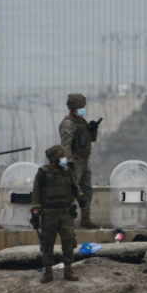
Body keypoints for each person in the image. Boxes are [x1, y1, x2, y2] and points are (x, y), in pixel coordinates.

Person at [30, 145, 80, 283]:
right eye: (61, 156)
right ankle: (48, 272)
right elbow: (36, 192)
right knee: (47, 243)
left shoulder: (68, 171)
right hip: (49, 213)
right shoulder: (43, 172)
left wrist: (81, 198)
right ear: (54, 158)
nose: (64, 158)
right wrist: (35, 208)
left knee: (69, 242)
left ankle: (68, 270)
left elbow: (76, 188)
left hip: (65, 212)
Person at [58, 93, 100, 229]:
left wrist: (93, 130)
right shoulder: (68, 123)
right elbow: (65, 145)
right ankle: (66, 221)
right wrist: (67, 164)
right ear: (74, 107)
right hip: (75, 162)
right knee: (70, 192)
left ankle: (85, 219)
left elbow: (89, 140)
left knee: (87, 191)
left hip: (84, 161)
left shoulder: (81, 121)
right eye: (81, 106)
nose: (84, 109)